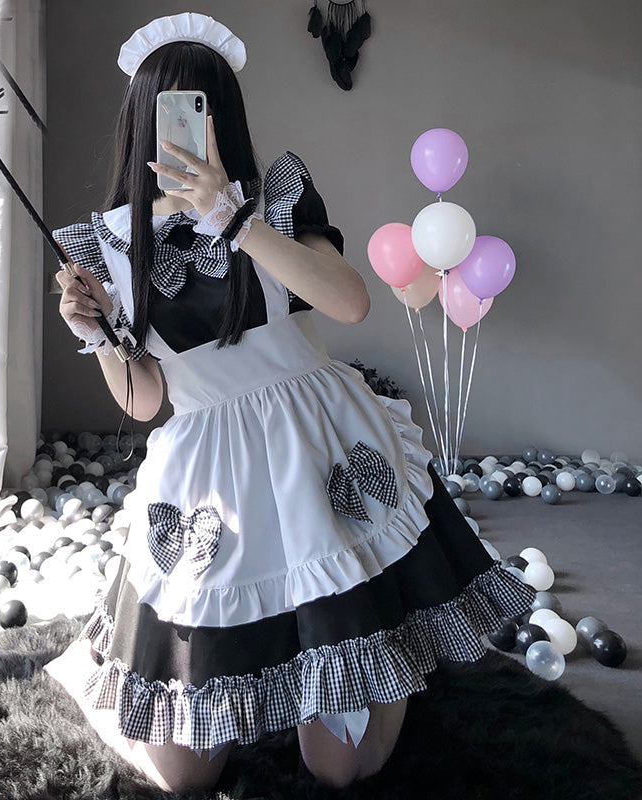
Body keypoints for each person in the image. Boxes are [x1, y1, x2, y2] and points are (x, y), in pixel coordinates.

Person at [44, 12, 535, 794]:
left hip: (319, 445)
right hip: (209, 474)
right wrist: (98, 333)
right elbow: (143, 400)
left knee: (338, 766)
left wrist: (232, 218)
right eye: (168, 110)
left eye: (201, 107)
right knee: (182, 776)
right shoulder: (110, 242)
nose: (185, 128)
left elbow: (349, 303)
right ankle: (109, 673)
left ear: (225, 116)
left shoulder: (275, 196)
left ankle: (384, 655)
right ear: (139, 121)